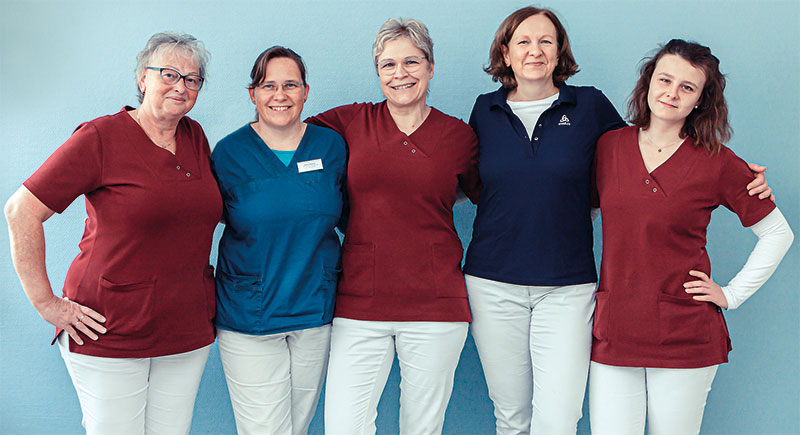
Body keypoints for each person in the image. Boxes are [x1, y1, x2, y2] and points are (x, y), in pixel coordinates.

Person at [463, 7, 773, 434]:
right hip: (494, 282)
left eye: (546, 41)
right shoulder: (485, 111)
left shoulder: (590, 110)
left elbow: (620, 170)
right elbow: (471, 182)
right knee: (511, 416)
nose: (535, 50)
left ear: (560, 52)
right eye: (523, 41)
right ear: (506, 51)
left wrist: (745, 183)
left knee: (558, 418)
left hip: (569, 286)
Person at [4, 32, 220, 434]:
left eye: (192, 79)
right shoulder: (100, 138)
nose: (181, 86)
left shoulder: (195, 137)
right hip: (110, 328)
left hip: (185, 329)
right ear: (142, 78)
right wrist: (46, 304)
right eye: (169, 74)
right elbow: (20, 211)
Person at [588, 39, 793, 435]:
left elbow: (777, 234)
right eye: (665, 79)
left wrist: (731, 295)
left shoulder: (717, 162)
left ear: (700, 100)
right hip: (615, 330)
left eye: (687, 87)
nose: (672, 92)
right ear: (648, 82)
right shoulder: (608, 147)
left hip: (685, 334)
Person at [306, 17, 481, 435]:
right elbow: (286, 137)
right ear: (378, 72)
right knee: (345, 425)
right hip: (360, 302)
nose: (400, 74)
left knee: (422, 428)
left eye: (411, 62)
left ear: (431, 67)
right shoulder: (348, 123)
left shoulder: (459, 136)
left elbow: (490, 197)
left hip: (436, 305)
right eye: (388, 65)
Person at [210, 46, 346, 435]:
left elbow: (355, 213)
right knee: (265, 429)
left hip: (314, 310)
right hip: (250, 313)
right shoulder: (229, 154)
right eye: (268, 85)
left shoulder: (330, 147)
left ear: (305, 91)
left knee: (298, 425)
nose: (280, 95)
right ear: (252, 94)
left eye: (290, 84)